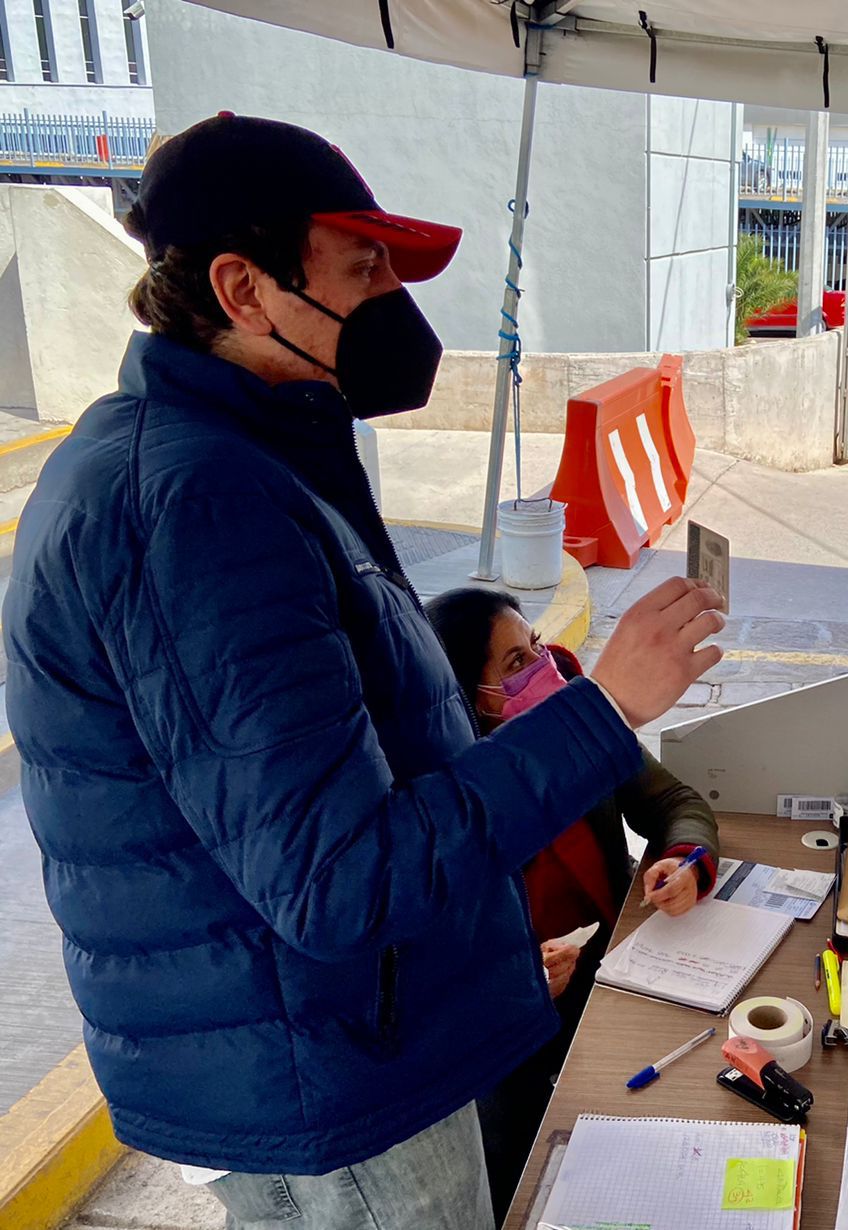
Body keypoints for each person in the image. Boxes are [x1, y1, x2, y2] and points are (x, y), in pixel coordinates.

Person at [2, 114, 725, 1230]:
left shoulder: (247, 461)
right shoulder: (196, 506)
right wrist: (604, 706)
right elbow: (337, 881)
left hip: (333, 1045)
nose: (395, 298)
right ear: (244, 289)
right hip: (333, 1072)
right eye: (365, 266)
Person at [425, 586, 720, 1223]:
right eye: (513, 666)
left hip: (608, 982)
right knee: (522, 1184)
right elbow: (425, 953)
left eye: (534, 646)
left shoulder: (575, 732)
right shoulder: (444, 798)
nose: (541, 667)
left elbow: (676, 803)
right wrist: (514, 974)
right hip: (509, 1035)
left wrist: (688, 861)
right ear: (469, 699)